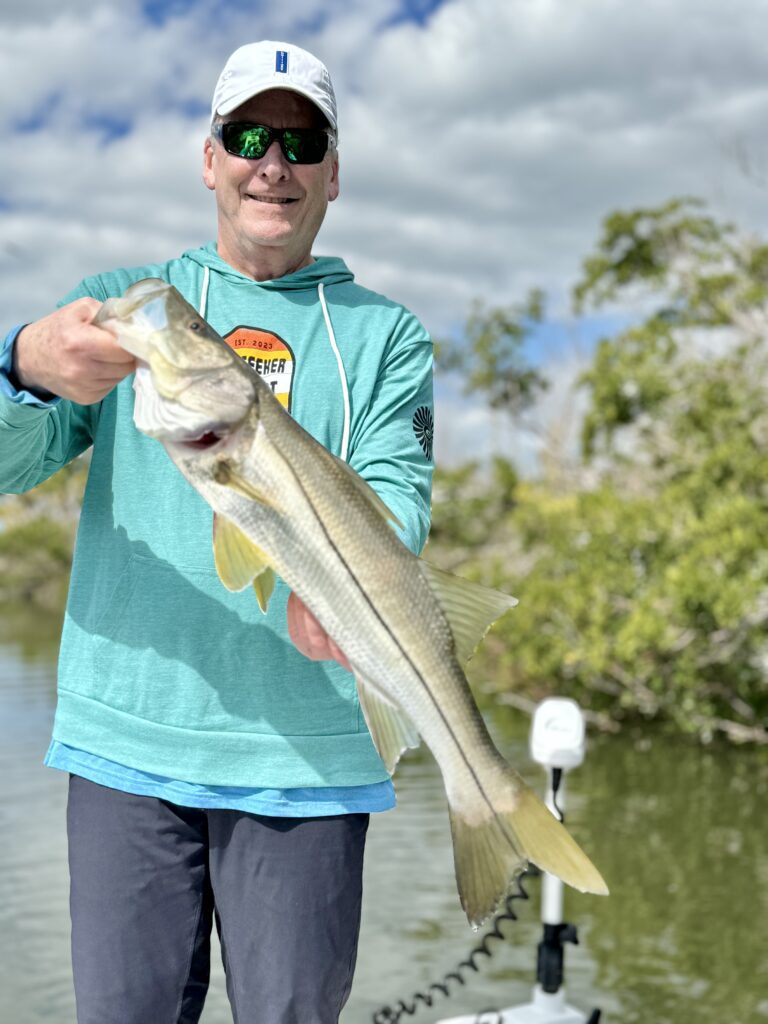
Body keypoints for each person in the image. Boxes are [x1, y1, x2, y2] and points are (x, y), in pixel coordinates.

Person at [0, 41, 433, 1024]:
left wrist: (355, 582)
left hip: (310, 763)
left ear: (332, 171)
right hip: (125, 748)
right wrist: (21, 365)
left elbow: (399, 492)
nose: (270, 162)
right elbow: (8, 465)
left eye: (299, 138)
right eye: (246, 135)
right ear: (209, 159)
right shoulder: (128, 302)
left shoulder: (383, 334)